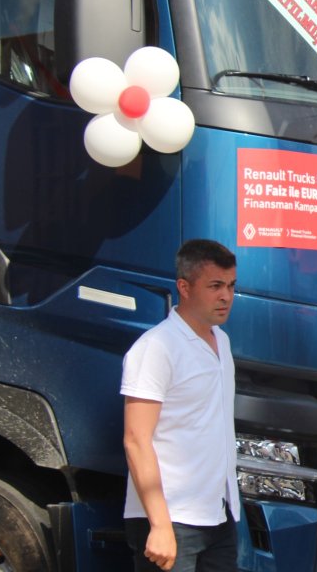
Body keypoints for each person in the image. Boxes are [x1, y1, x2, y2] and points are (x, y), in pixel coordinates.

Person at [122, 240, 240, 572]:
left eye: (231, 286)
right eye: (215, 286)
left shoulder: (223, 341)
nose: (226, 296)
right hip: (170, 518)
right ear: (184, 288)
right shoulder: (156, 348)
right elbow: (135, 439)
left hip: (218, 513)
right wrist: (159, 526)